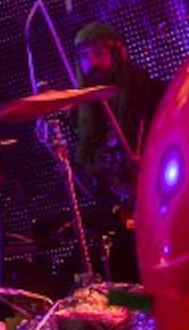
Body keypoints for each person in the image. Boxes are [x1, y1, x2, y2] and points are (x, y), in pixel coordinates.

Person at [68, 21, 164, 281]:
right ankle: (143, 318)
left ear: (118, 54)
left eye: (98, 53)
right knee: (122, 292)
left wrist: (148, 163)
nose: (92, 63)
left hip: (165, 208)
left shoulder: (152, 95)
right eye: (84, 56)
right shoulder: (83, 114)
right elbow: (92, 178)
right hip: (126, 218)